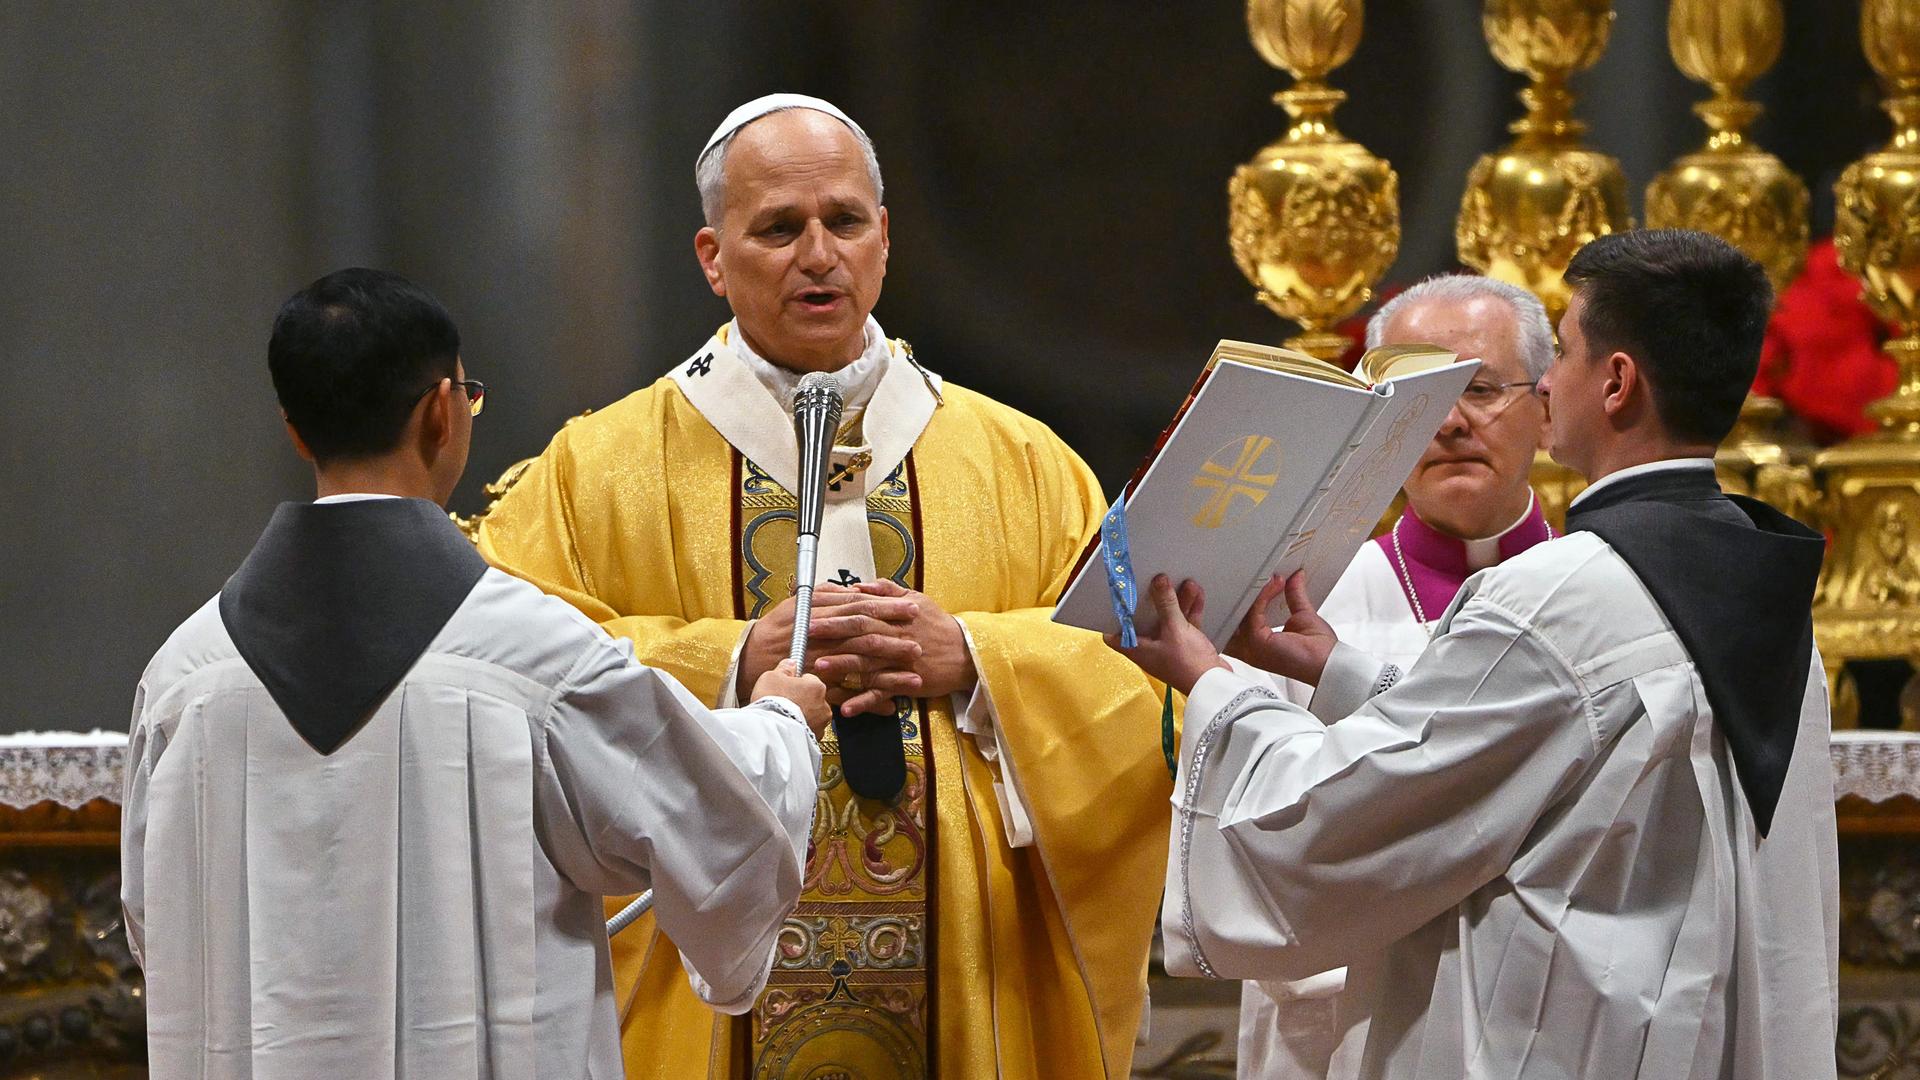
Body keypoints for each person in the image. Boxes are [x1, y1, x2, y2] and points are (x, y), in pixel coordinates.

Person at [475, 95, 1168, 1079]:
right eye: (778, 229)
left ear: (885, 238)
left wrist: (975, 659)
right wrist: (728, 660)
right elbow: (501, 688)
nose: (819, 254)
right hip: (700, 1007)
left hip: (967, 990)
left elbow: (1146, 680)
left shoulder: (1021, 464)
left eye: (844, 221)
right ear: (713, 257)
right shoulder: (599, 473)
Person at [1118, 230, 1837, 1079]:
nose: (1547, 381)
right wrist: (1341, 673)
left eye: (1561, 353)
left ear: (1615, 383)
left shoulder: (1558, 596)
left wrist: (1212, 685)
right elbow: (1548, 747)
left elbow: (1340, 821)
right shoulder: (1758, 585)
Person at [121, 268, 832, 1080]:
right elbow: (713, 824)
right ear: (440, 411)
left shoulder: (182, 677)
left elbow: (155, 924)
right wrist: (780, 721)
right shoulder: (530, 655)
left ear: (294, 429)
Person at [1236, 273, 1556, 1079]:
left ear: (1547, 407)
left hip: (1545, 1016)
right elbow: (1259, 833)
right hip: (1344, 1026)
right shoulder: (1304, 598)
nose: (1449, 422)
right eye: (1419, 397)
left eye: (1480, 389)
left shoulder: (1595, 597)